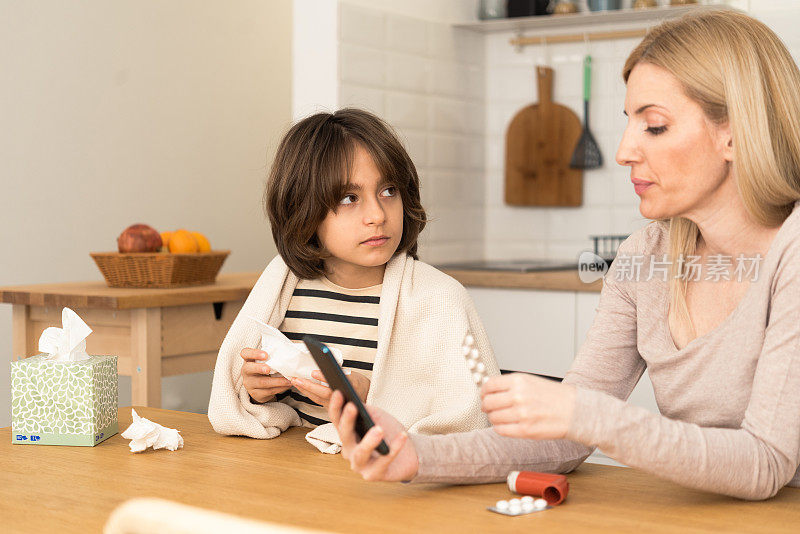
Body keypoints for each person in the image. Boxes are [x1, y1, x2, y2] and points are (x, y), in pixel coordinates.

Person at [327, 9, 800, 499]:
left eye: (654, 126)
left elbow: (765, 464)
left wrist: (586, 414)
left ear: (734, 133)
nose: (623, 152)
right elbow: (563, 439)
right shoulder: (645, 258)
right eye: (628, 123)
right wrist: (419, 454)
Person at [208, 108, 499, 453]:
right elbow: (252, 408)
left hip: (392, 484)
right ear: (303, 208)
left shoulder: (441, 300)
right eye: (349, 198)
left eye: (389, 191)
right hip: (294, 475)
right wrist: (256, 392)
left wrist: (368, 401)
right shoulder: (283, 287)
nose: (377, 215)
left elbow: (476, 421)